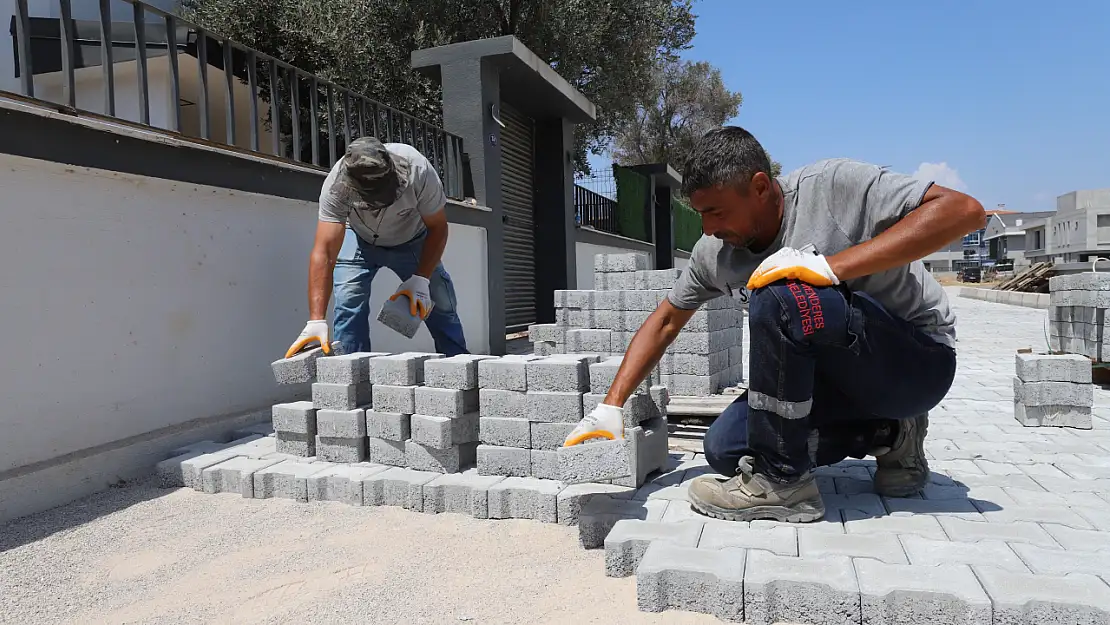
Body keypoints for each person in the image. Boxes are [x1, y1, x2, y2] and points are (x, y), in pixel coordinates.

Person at [563, 126, 984, 523]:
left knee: (780, 290)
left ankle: (783, 484)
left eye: (717, 211)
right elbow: (667, 319)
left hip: (914, 364)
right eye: (700, 213)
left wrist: (827, 268)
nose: (708, 228)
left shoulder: (833, 188)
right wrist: (611, 405)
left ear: (761, 187)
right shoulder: (715, 253)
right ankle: (890, 434)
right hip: (832, 380)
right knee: (725, 448)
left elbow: (964, 212)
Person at [285, 137, 468, 358]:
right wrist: (315, 319)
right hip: (359, 237)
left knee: (440, 300)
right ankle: (350, 379)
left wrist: (421, 278)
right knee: (348, 303)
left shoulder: (418, 170)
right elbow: (324, 251)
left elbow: (438, 228)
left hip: (412, 239)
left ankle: (459, 368)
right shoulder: (336, 186)